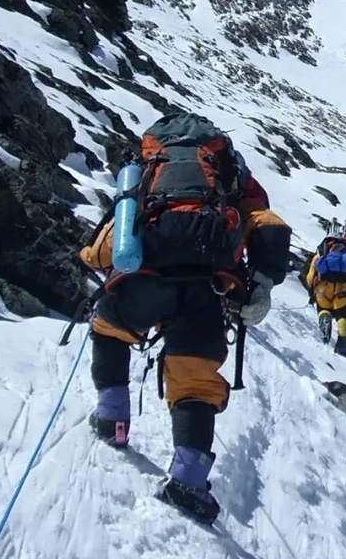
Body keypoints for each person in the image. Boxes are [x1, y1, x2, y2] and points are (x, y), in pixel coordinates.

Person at [79, 113, 290, 524]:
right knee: (194, 381)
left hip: (144, 278)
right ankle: (188, 483)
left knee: (109, 331)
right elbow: (267, 224)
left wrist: (92, 258)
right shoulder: (231, 174)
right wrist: (261, 284)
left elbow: (114, 233)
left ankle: (113, 420)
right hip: (207, 287)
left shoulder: (147, 173)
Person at [305, 220, 346, 358]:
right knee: (344, 316)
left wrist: (311, 291)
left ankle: (325, 318)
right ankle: (342, 346)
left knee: (324, 309)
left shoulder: (322, 251)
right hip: (343, 288)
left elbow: (311, 275)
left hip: (323, 286)